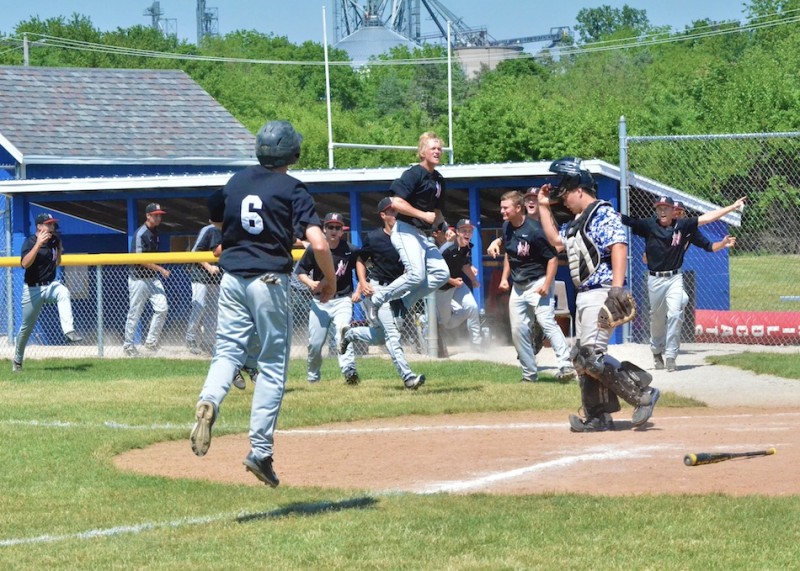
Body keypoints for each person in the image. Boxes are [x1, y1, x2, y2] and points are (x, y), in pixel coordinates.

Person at [190, 119, 335, 488]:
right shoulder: (292, 188)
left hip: (232, 279)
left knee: (226, 352)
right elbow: (318, 243)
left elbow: (217, 217)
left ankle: (209, 401)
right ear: (293, 152)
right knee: (272, 365)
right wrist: (329, 280)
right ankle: (260, 451)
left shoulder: (236, 182)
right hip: (268, 280)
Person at [538, 157, 660, 432]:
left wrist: (616, 287)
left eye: (566, 192)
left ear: (579, 189)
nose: (564, 199)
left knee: (592, 355)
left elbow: (618, 245)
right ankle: (597, 416)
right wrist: (544, 208)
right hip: (582, 295)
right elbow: (557, 242)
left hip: (601, 291)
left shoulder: (602, 212)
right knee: (581, 358)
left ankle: (642, 394)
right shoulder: (577, 221)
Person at [622, 195, 744, 372]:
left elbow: (708, 220)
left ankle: (671, 355)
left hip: (674, 278)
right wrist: (603, 209)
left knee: (675, 313)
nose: (663, 211)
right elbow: (628, 220)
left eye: (668, 208)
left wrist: (732, 207)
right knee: (656, 317)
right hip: (655, 279)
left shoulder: (684, 227)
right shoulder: (650, 225)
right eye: (659, 208)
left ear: (674, 212)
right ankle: (656, 351)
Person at [339, 197, 426, 389]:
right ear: (383, 215)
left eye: (396, 211)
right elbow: (360, 260)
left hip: (397, 290)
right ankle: (408, 377)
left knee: (380, 337)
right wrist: (362, 283)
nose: (395, 214)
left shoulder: (406, 237)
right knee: (392, 336)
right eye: (391, 211)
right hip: (377, 289)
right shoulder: (374, 237)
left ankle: (350, 334)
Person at [365, 131, 450, 322]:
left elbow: (437, 213)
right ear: (422, 152)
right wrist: (423, 215)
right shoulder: (413, 174)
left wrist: (445, 228)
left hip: (421, 235)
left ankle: (402, 303)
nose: (437, 151)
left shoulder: (439, 180)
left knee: (442, 273)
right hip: (405, 230)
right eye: (433, 148)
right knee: (416, 275)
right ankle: (376, 300)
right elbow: (396, 202)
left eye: (439, 148)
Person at [495, 191, 577, 383]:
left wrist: (547, 285)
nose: (502, 211)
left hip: (538, 282)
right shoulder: (507, 226)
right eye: (501, 207)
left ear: (517, 208)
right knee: (518, 330)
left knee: (547, 322)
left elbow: (552, 258)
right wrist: (504, 278)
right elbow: (509, 254)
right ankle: (529, 374)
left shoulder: (535, 230)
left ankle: (565, 365)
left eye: (505, 207)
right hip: (518, 286)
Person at [294, 212, 360, 385]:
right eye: (330, 227)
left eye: (337, 228)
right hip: (320, 301)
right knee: (315, 345)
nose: (333, 230)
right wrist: (310, 282)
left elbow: (361, 264)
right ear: (324, 229)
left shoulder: (349, 249)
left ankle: (349, 371)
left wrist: (360, 286)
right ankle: (313, 376)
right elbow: (300, 271)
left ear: (342, 231)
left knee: (343, 333)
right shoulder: (315, 249)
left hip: (342, 299)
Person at [12, 213, 83, 372]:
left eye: (52, 224)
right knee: (26, 328)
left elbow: (57, 262)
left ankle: (68, 331)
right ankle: (17, 360)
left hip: (50, 285)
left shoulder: (53, 240)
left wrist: (58, 247)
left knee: (63, 292)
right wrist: (37, 245)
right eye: (48, 224)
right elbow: (24, 263)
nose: (52, 227)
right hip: (32, 289)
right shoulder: (30, 241)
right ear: (39, 226)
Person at [123, 203, 170, 357]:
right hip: (138, 279)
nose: (159, 217)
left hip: (152, 278)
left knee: (162, 308)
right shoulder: (141, 233)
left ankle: (150, 343)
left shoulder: (156, 232)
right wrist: (160, 269)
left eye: (160, 214)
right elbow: (139, 259)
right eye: (155, 214)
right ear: (148, 216)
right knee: (135, 312)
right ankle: (128, 346)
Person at [436, 218, 482, 348]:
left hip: (457, 285)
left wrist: (473, 280)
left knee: (472, 308)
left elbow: (464, 264)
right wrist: (452, 281)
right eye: (464, 231)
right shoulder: (447, 249)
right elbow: (435, 273)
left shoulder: (466, 246)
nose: (467, 233)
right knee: (446, 322)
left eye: (469, 231)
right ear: (457, 232)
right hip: (442, 288)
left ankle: (476, 344)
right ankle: (426, 323)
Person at [185, 220, 222, 357]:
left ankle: (207, 342)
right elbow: (195, 252)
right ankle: (191, 338)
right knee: (199, 307)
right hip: (200, 274)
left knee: (213, 310)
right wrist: (209, 267)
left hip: (216, 276)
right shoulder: (209, 230)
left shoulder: (229, 230)